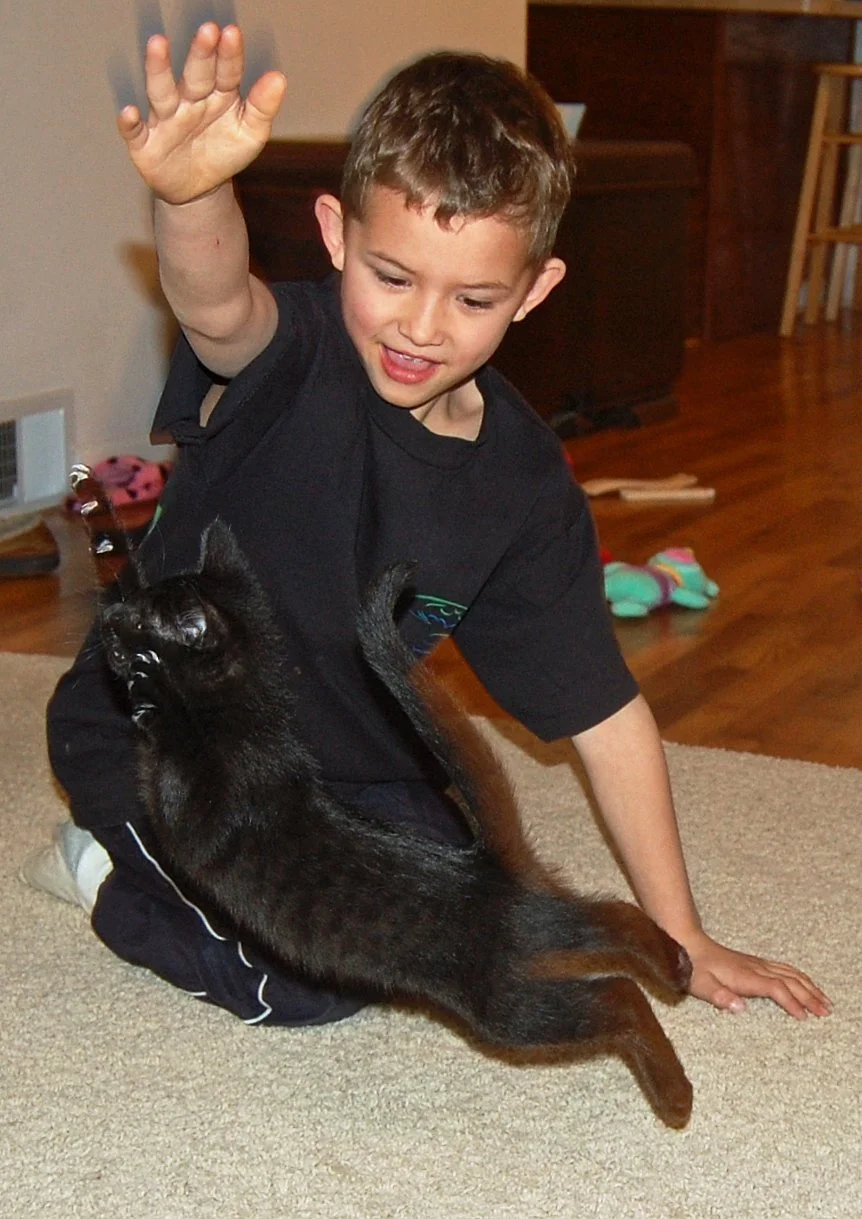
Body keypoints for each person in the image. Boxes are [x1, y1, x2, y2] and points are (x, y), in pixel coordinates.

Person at [22, 23, 830, 1027]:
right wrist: (190, 196)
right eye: (392, 277)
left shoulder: (521, 486)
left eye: (474, 297)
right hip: (164, 738)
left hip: (338, 767)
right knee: (315, 977)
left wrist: (682, 938)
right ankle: (104, 872)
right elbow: (214, 301)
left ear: (533, 292)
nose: (420, 327)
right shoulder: (294, 356)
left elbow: (603, 716)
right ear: (334, 237)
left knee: (455, 912)